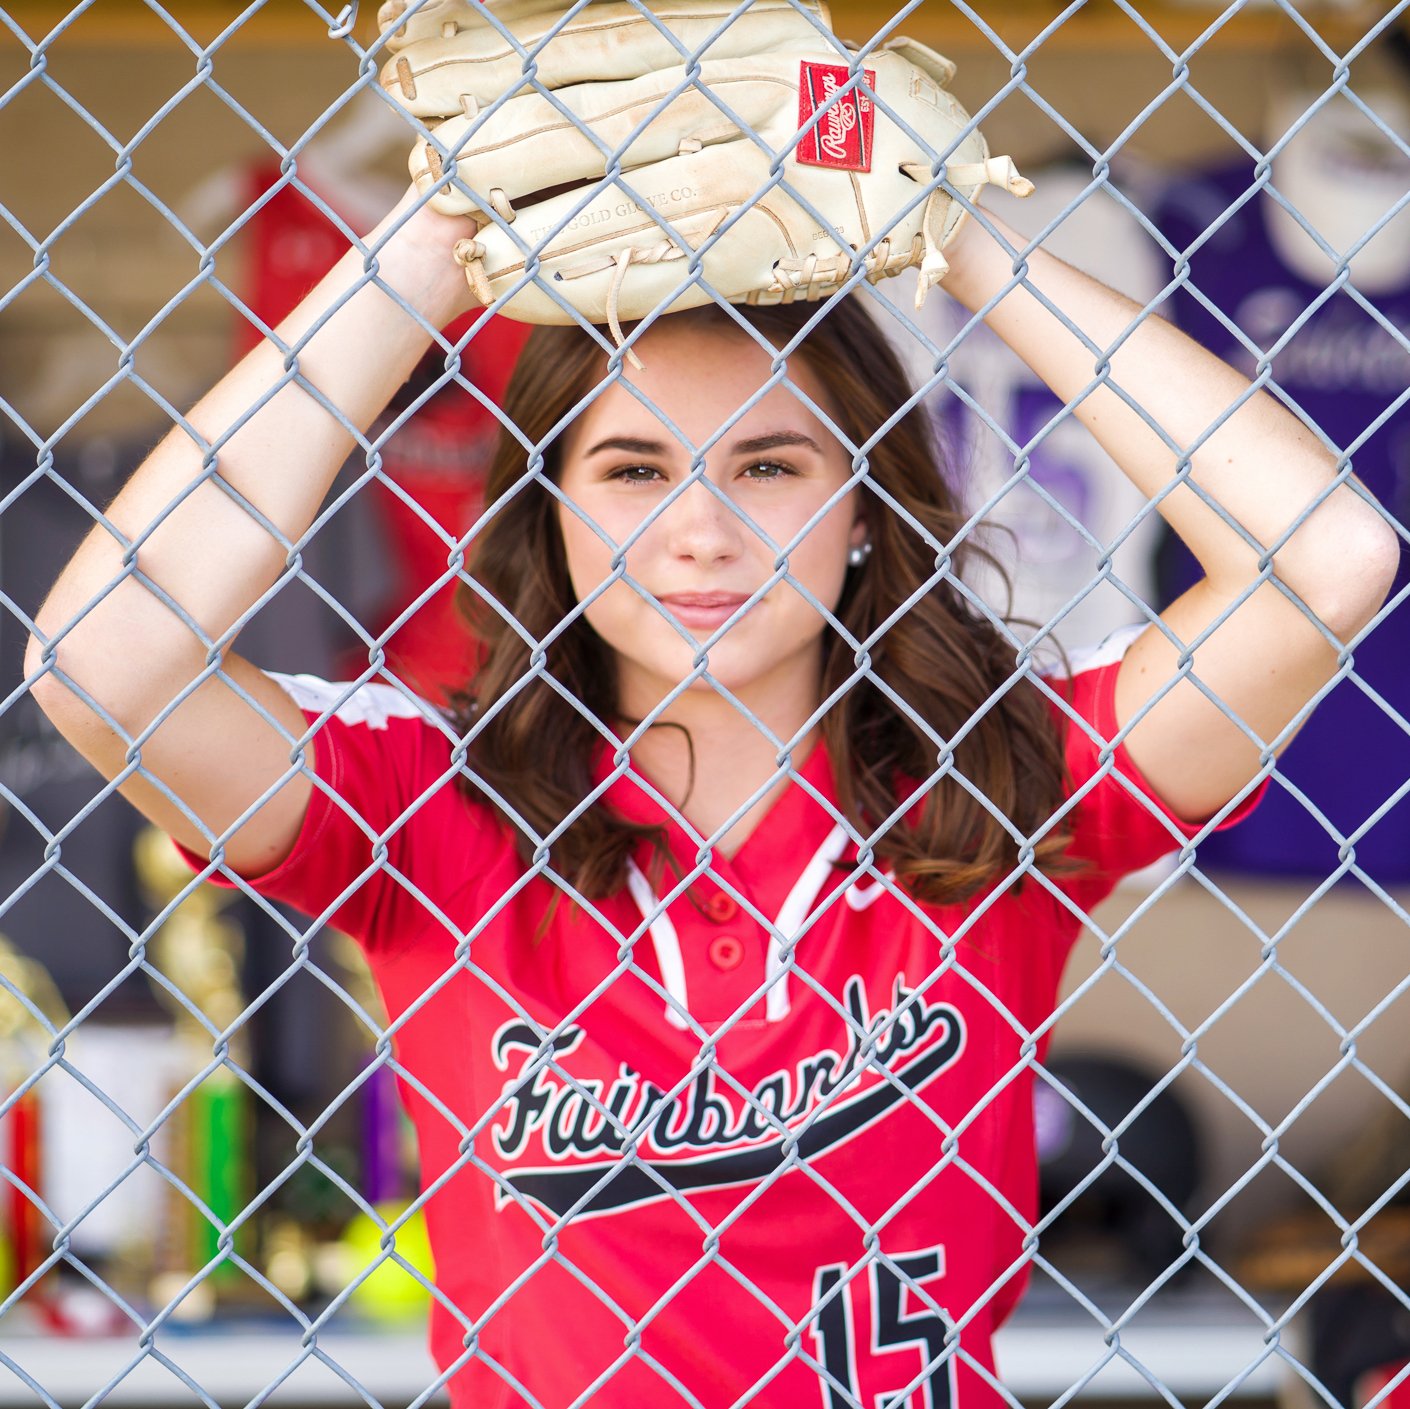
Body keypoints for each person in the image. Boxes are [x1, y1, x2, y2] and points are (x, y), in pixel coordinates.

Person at [26, 164, 1395, 1405]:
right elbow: (101, 664)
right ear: (547, 518)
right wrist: (437, 235)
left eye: (770, 464)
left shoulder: (1000, 784)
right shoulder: (432, 803)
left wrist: (957, 233)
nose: (700, 528)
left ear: (863, 505)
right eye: (630, 470)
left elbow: (1324, 561)